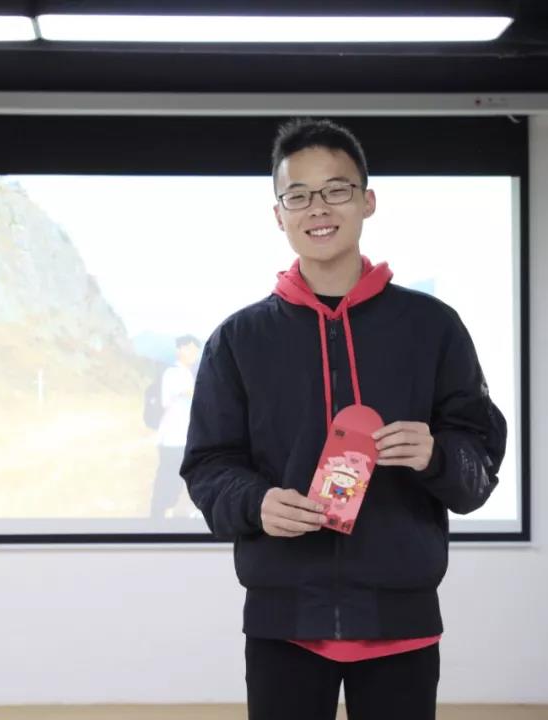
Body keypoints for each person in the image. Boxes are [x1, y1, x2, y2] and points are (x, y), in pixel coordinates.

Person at [180, 118, 508, 720]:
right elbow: (207, 466)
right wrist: (256, 503)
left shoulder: (432, 327)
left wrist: (436, 454)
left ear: (367, 200)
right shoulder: (238, 340)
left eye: (336, 189)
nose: (318, 208)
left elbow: (479, 462)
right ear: (278, 215)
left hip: (401, 622)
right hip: (284, 621)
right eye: (297, 195)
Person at [149, 334, 201, 518]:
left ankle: (167, 512)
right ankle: (160, 515)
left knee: (178, 478)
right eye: (190, 349)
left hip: (182, 437)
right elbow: (190, 393)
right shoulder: (174, 373)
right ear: (180, 349)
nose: (193, 354)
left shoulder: (185, 373)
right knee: (169, 479)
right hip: (172, 437)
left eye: (196, 351)